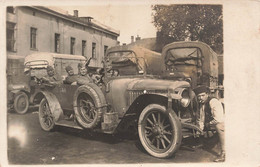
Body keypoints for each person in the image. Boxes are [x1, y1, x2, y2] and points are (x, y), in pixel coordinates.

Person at [193, 85, 225, 162]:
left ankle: (224, 153)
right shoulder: (201, 104)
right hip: (213, 122)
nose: (200, 98)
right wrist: (200, 130)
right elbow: (200, 119)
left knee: (219, 126)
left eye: (203, 95)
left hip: (224, 121)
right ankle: (204, 142)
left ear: (207, 94)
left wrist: (208, 124)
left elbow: (218, 119)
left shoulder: (213, 102)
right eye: (199, 96)